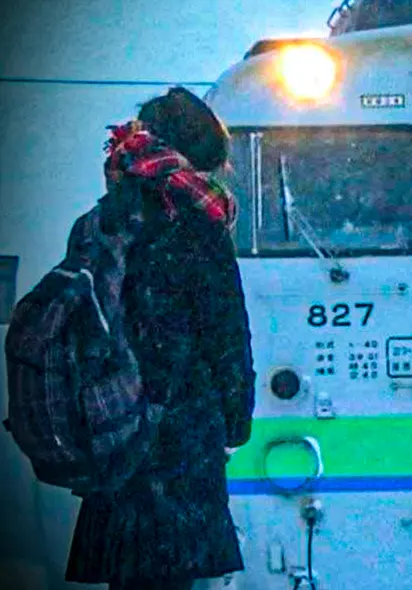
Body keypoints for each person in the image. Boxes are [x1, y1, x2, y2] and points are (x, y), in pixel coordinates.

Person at [63, 87, 256, 590]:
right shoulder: (196, 225)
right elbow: (226, 336)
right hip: (178, 436)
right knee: (172, 575)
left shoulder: (94, 224)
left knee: (128, 579)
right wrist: (235, 423)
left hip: (112, 428)